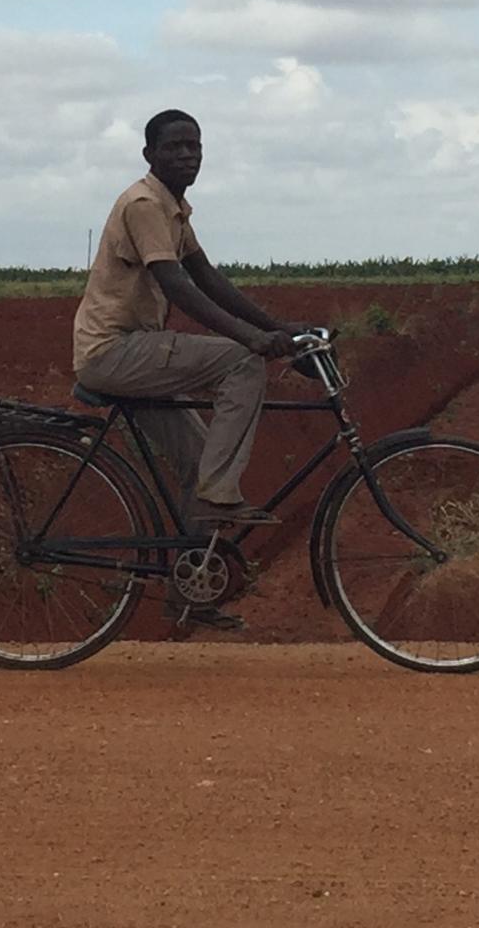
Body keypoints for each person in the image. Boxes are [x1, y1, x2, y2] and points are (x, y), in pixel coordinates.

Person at [73, 109, 306, 586]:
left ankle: (191, 582)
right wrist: (251, 340)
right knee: (241, 363)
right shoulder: (144, 204)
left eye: (194, 146)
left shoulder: (174, 209)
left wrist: (278, 327)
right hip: (113, 351)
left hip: (136, 350)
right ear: (149, 155)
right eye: (174, 147)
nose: (187, 155)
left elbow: (208, 278)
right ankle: (218, 494)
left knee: (198, 459)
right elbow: (176, 284)